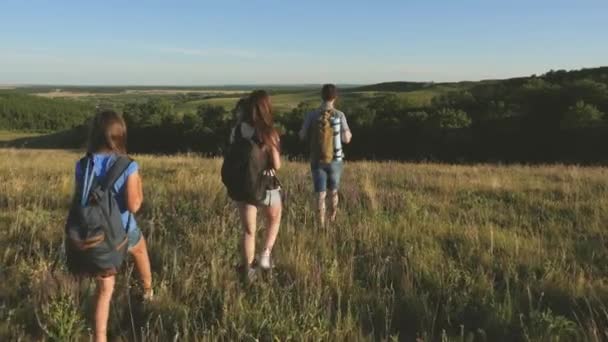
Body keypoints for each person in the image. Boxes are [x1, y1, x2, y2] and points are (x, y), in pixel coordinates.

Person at [75, 110, 153, 342]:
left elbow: (80, 198)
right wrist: (138, 183)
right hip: (122, 229)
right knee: (139, 248)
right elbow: (134, 205)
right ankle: (148, 291)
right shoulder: (128, 165)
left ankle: (100, 338)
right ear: (120, 135)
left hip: (95, 232)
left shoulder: (83, 164)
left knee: (105, 289)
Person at [230, 90, 282, 282]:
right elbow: (276, 165)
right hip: (267, 183)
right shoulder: (269, 132)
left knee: (248, 230)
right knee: (274, 219)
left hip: (244, 185)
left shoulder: (236, 130)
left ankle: (248, 271)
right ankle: (265, 256)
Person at [299, 84, 352, 227]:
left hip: (317, 159)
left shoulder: (312, 115)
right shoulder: (339, 115)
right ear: (335, 97)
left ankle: (321, 225)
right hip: (336, 160)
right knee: (333, 192)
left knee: (320, 194)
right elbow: (346, 139)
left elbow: (302, 135)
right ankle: (332, 219)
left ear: (321, 96)